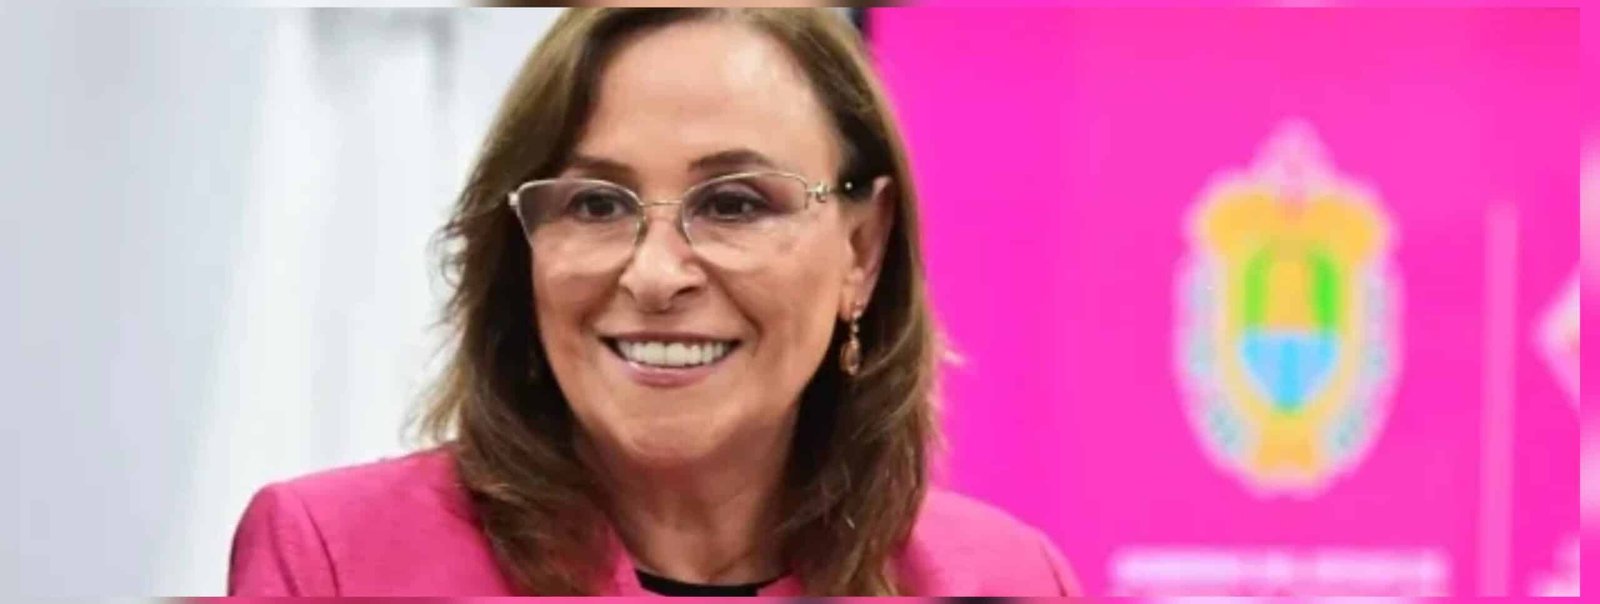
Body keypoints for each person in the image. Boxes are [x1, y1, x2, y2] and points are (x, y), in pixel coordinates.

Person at [228, 7, 1079, 596]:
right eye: (596, 204)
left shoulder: (1005, 577)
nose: (656, 274)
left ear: (862, 249)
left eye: (734, 203)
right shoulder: (336, 562)